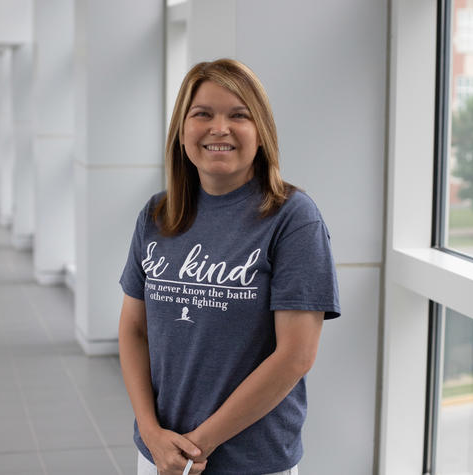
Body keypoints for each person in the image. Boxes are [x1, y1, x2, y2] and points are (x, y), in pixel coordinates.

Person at [118, 58, 341, 475]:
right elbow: (133, 328)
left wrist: (195, 449)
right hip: (159, 454)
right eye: (202, 113)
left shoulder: (293, 218)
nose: (219, 128)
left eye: (239, 115)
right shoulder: (158, 214)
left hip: (250, 462)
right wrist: (151, 434)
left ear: (261, 132)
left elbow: (295, 355)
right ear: (182, 130)